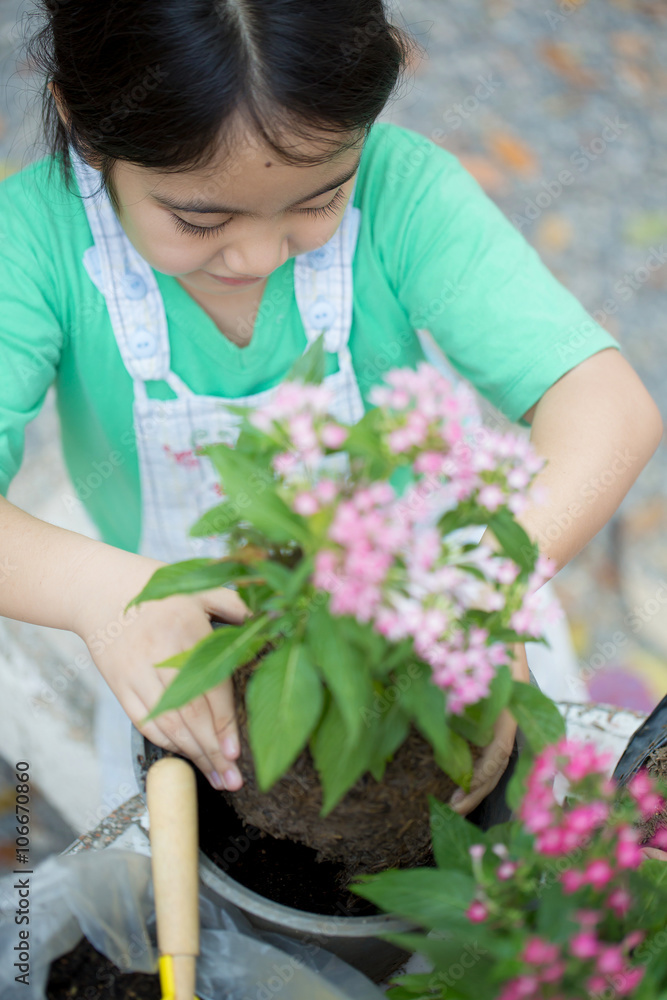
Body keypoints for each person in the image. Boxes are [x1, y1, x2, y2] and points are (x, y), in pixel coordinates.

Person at [0, 0, 661, 818]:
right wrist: (97, 594)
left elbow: (607, 407)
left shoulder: (401, 193)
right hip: (191, 619)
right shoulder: (35, 243)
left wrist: (478, 604)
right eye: (198, 218)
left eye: (319, 199)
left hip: (434, 598)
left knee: (501, 823)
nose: (257, 254)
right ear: (87, 128)